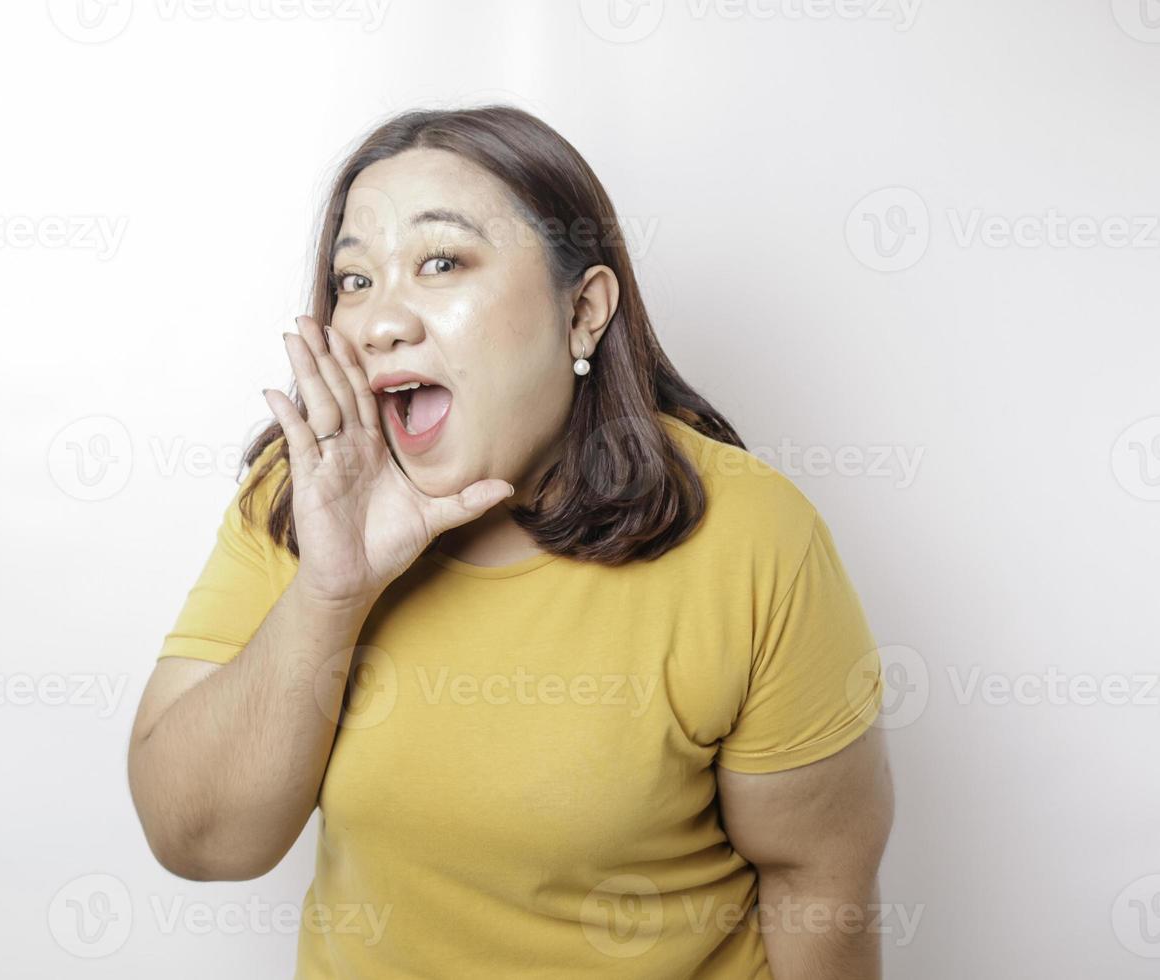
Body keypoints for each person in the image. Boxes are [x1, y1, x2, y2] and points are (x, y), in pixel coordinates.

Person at [128, 104, 893, 979]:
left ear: (584, 313)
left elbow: (816, 876)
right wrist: (332, 591)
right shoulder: (305, 496)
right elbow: (197, 842)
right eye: (354, 280)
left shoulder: (750, 533)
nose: (379, 324)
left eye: (442, 262)